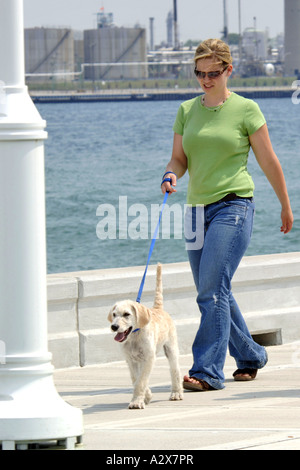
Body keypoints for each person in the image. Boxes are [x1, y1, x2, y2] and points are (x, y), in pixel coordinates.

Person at [161, 39, 294, 391]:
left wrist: (285, 203)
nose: (205, 80)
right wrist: (171, 174)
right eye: (200, 73)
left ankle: (206, 371)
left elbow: (268, 160)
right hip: (194, 211)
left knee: (210, 291)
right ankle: (250, 355)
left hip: (233, 206)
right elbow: (179, 159)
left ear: (228, 70)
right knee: (214, 289)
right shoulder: (187, 110)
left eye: (213, 73)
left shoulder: (247, 109)